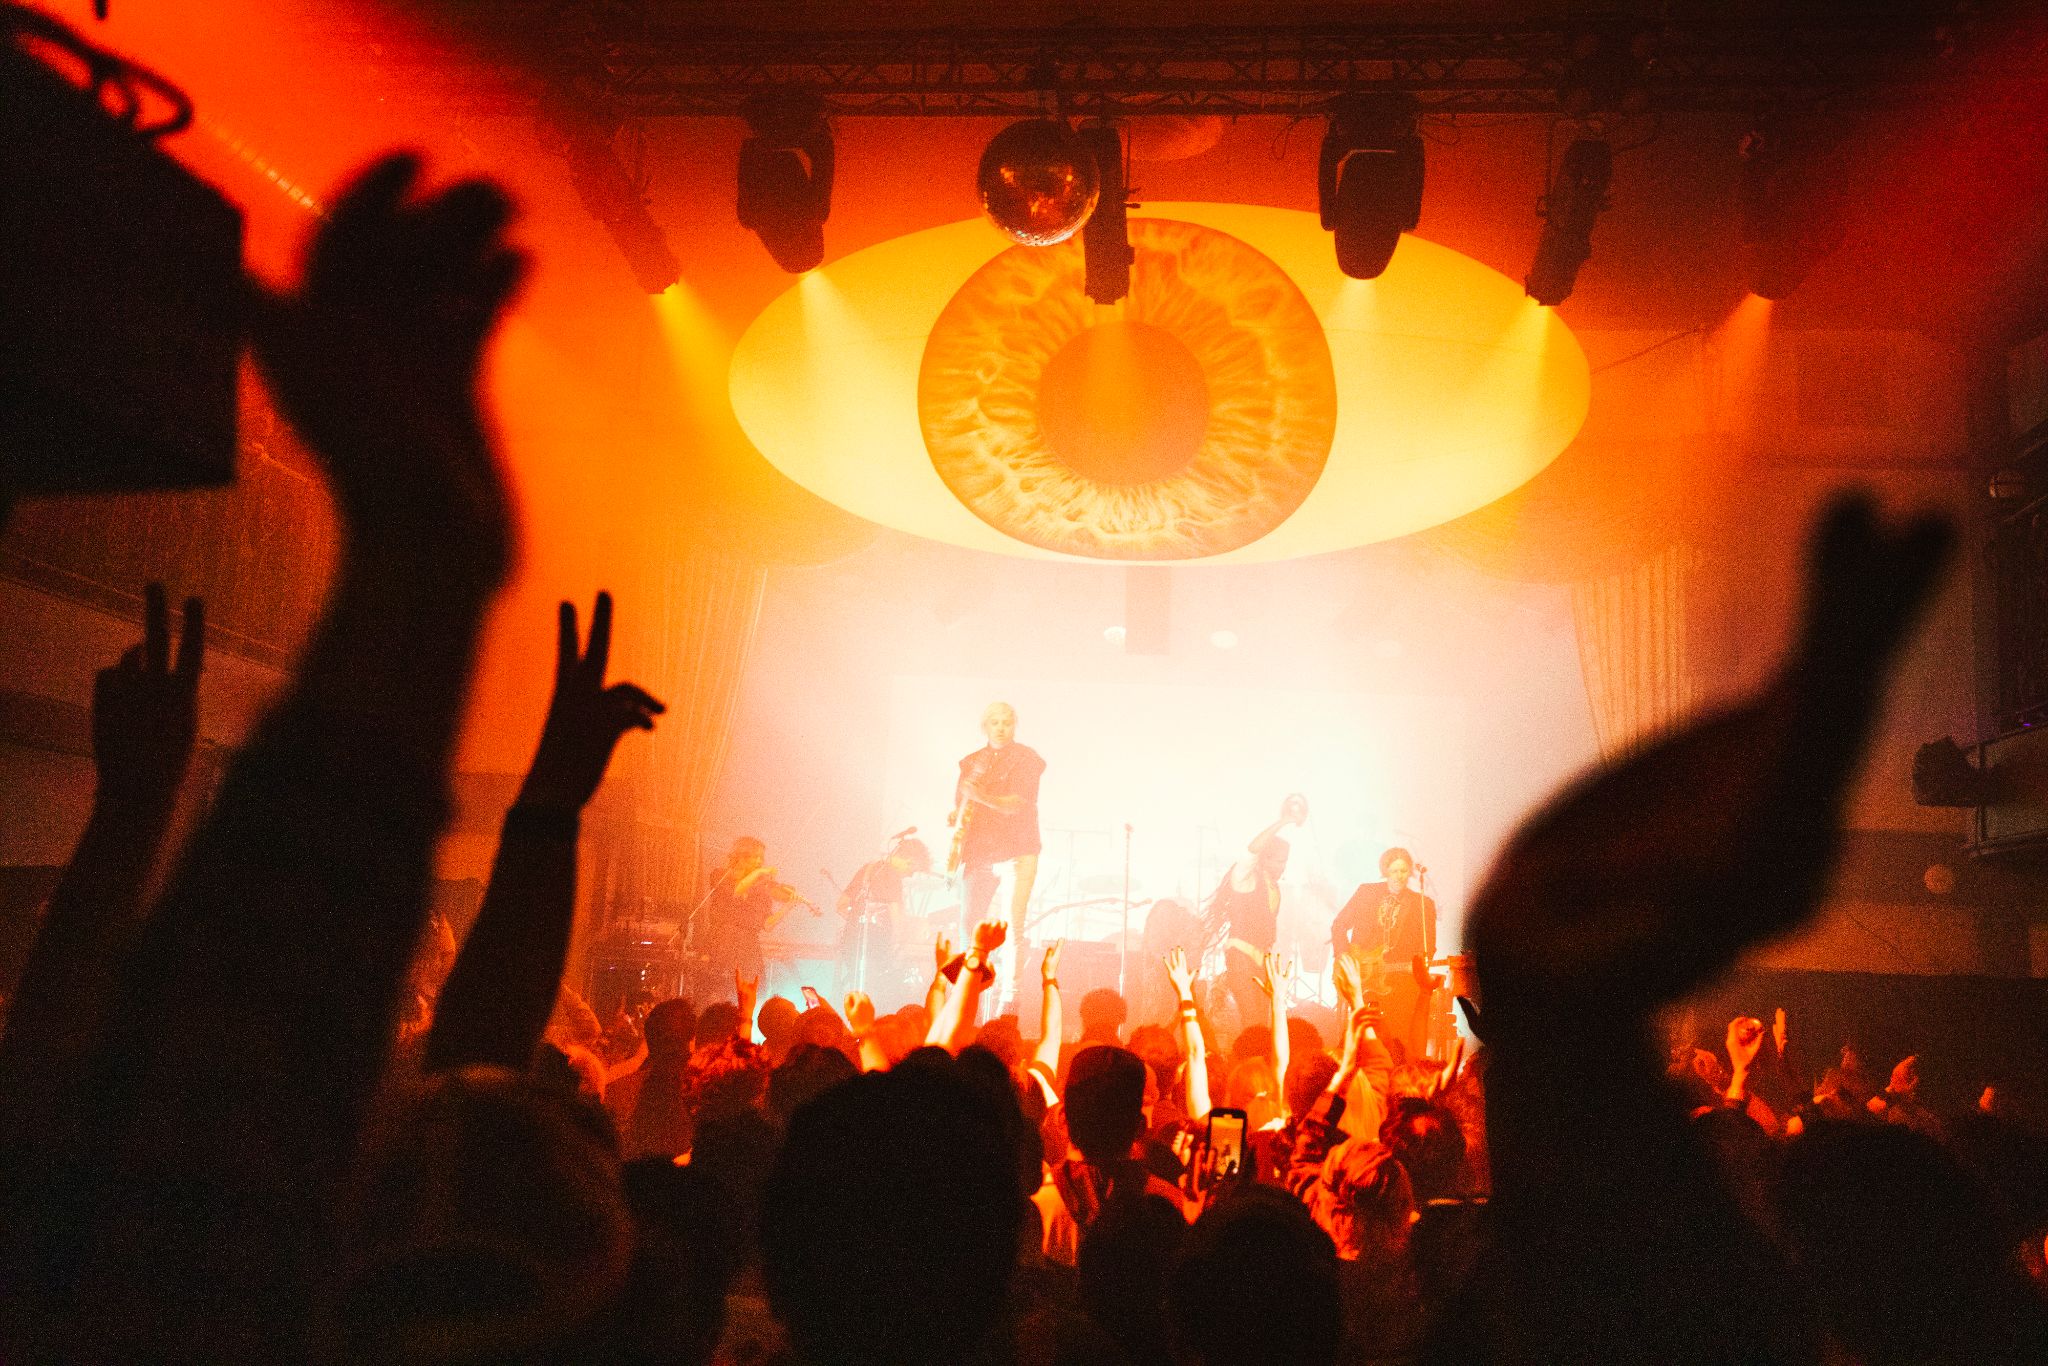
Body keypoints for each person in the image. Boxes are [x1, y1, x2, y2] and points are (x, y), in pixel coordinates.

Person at [950, 702, 1045, 997]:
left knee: (1012, 928)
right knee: (969, 926)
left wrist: (981, 796)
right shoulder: (971, 762)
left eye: (1007, 723)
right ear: (985, 727)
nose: (1001, 728)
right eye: (995, 723)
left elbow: (1017, 803)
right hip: (979, 852)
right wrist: (958, 816)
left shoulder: (1027, 759)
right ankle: (970, 996)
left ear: (1014, 725)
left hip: (1017, 851)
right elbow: (962, 805)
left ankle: (1009, 1003)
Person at [1201, 795, 1304, 1035]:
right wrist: (1284, 821)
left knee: (1262, 1024)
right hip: (1242, 956)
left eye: (1285, 862)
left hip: (1262, 959)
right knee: (1253, 1022)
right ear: (1265, 859)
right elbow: (1252, 849)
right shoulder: (1245, 878)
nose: (1283, 867)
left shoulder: (1273, 886)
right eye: (1279, 861)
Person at [1330, 846, 1437, 1060]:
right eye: (1394, 871)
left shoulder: (1422, 904)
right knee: (1361, 1027)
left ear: (1410, 873)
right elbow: (1339, 925)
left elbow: (1428, 947)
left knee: (1399, 1032)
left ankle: (1400, 1068)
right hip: (1364, 974)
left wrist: (1418, 965)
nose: (1399, 876)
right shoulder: (1366, 893)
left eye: (1404, 871)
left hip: (1400, 977)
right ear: (1385, 870)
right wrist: (1345, 958)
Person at [698, 837, 805, 995]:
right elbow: (736, 890)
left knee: (751, 993)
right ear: (741, 857)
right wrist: (759, 873)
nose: (759, 861)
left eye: (761, 858)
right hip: (722, 944)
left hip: (749, 949)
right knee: (720, 992)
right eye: (755, 857)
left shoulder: (761, 889)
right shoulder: (720, 875)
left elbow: (767, 925)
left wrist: (788, 906)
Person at [835, 837, 930, 997]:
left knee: (856, 989)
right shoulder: (892, 876)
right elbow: (897, 920)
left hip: (851, 942)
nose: (910, 875)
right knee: (878, 994)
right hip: (877, 947)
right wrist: (898, 948)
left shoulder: (869, 869)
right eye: (913, 870)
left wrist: (859, 923)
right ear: (909, 860)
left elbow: (841, 906)